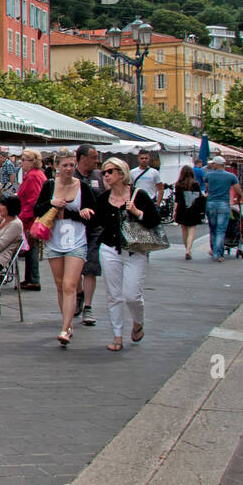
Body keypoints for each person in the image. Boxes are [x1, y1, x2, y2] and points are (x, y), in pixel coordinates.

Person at [96, 157, 161, 352]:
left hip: (135, 250)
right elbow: (97, 223)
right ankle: (117, 335)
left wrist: (138, 212)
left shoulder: (138, 195)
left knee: (131, 295)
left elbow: (155, 220)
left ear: (122, 173)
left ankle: (138, 321)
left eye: (110, 171)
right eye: (104, 172)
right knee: (113, 295)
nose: (106, 175)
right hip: (109, 249)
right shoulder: (102, 199)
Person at [35, 148, 97, 346]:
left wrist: (83, 211)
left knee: (70, 285)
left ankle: (65, 328)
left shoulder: (83, 187)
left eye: (71, 165)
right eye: (65, 165)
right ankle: (67, 323)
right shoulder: (49, 185)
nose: (69, 169)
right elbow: (37, 209)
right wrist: (51, 203)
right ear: (56, 167)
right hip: (54, 240)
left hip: (76, 240)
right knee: (60, 284)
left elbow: (93, 215)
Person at [71, 144, 106, 326]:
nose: (96, 161)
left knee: (91, 267)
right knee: (75, 268)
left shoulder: (99, 176)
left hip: (95, 229)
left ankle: (88, 307)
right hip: (75, 229)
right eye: (93, 157)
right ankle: (78, 294)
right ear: (82, 158)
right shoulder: (71, 177)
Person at [203, 155, 242, 261]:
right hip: (224, 204)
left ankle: (214, 250)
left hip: (211, 203)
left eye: (213, 163)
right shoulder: (231, 176)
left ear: (217, 164)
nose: (212, 165)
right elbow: (238, 191)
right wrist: (238, 200)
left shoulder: (208, 175)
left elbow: (206, 189)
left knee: (213, 229)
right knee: (221, 230)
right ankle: (218, 253)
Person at [173, 165, 205, 260]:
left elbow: (177, 199)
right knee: (191, 231)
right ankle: (188, 250)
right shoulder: (195, 184)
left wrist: (174, 211)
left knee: (184, 230)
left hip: (182, 209)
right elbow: (199, 197)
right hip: (193, 209)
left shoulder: (178, 184)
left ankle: (187, 249)